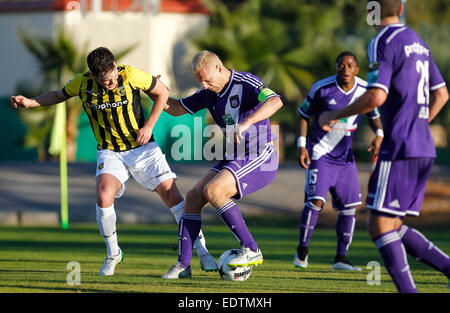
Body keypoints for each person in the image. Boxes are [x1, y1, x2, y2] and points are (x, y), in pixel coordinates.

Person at [11, 47, 217, 276]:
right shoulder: (82, 83)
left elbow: (163, 92)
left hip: (142, 148)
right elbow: (59, 94)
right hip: (110, 151)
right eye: (105, 80)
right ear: (93, 75)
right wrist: (31, 102)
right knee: (103, 195)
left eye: (112, 77)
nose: (111, 82)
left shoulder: (130, 74)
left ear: (115, 65)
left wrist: (149, 126)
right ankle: (113, 253)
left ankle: (202, 251)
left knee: (173, 197)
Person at [319, 0, 449, 292]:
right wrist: (418, 124)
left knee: (378, 226)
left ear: (371, 12)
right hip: (422, 147)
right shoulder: (419, 42)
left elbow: (377, 96)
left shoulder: (383, 41)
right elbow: (442, 94)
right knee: (390, 224)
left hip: (400, 147)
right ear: (400, 9)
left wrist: (334, 113)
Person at [160, 50, 283, 279]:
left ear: (219, 68)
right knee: (194, 197)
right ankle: (183, 266)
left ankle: (252, 250)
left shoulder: (245, 83)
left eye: (206, 79)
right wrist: (154, 91)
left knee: (213, 190)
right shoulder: (208, 93)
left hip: (261, 154)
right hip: (237, 156)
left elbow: (276, 101)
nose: (204, 86)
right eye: (200, 81)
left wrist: (246, 123)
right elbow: (177, 109)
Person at [294, 51, 384, 271]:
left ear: (356, 69)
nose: (344, 69)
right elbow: (303, 115)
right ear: (336, 68)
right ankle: (302, 251)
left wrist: (379, 135)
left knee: (350, 207)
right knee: (316, 201)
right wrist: (301, 145)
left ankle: (340, 258)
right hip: (320, 153)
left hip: (345, 158)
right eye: (340, 65)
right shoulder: (321, 88)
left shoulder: (365, 90)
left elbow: (374, 118)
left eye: (349, 66)